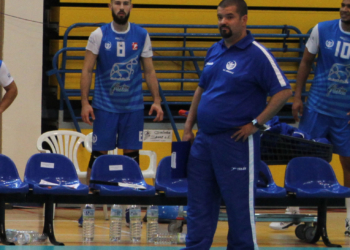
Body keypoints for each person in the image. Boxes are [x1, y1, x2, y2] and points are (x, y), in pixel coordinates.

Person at [181, 0, 292, 249]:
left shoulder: (257, 54)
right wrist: (189, 128)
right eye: (220, 17)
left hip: (236, 142)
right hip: (204, 141)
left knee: (239, 207)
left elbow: (283, 92)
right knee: (198, 204)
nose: (223, 22)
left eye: (229, 17)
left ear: (244, 19)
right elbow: (201, 89)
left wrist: (256, 124)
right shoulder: (215, 50)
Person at [79, 0, 163, 225]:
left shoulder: (141, 34)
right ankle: (89, 207)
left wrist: (157, 100)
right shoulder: (98, 34)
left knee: (132, 158)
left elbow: (149, 70)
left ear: (131, 6)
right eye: (117, 3)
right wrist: (85, 102)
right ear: (110, 6)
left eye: (125, 3)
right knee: (98, 156)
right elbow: (87, 69)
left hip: (133, 107)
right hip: (105, 106)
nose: (121, 7)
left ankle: (131, 208)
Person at [270, 0, 350, 232]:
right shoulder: (322, 29)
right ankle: (293, 213)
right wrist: (297, 97)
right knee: (301, 156)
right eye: (343, 4)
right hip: (316, 107)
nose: (345, 9)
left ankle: (349, 219)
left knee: (348, 164)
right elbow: (305, 63)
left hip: (344, 113)